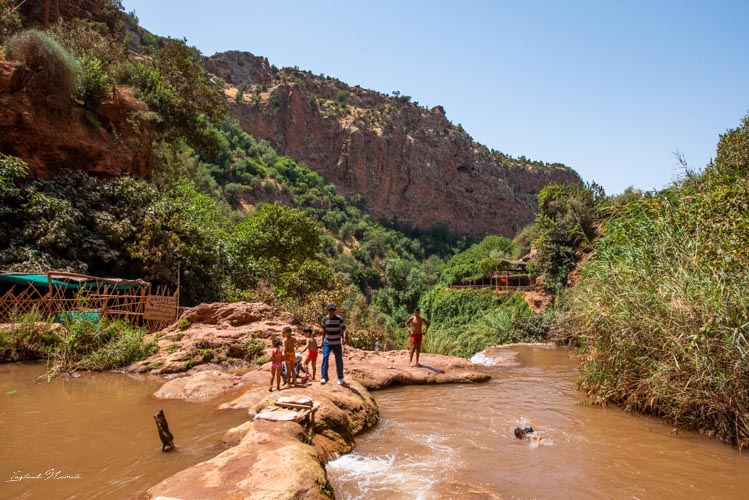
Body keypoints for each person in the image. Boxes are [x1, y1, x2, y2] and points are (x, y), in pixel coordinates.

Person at [320, 303, 346, 385]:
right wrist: (322, 341)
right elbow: (324, 330)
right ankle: (324, 377)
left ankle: (340, 378)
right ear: (328, 310)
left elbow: (344, 329)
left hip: (337, 342)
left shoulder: (339, 319)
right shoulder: (325, 319)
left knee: (338, 360)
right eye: (330, 310)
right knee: (325, 357)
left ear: (334, 311)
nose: (331, 311)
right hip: (327, 342)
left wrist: (344, 338)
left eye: (333, 310)